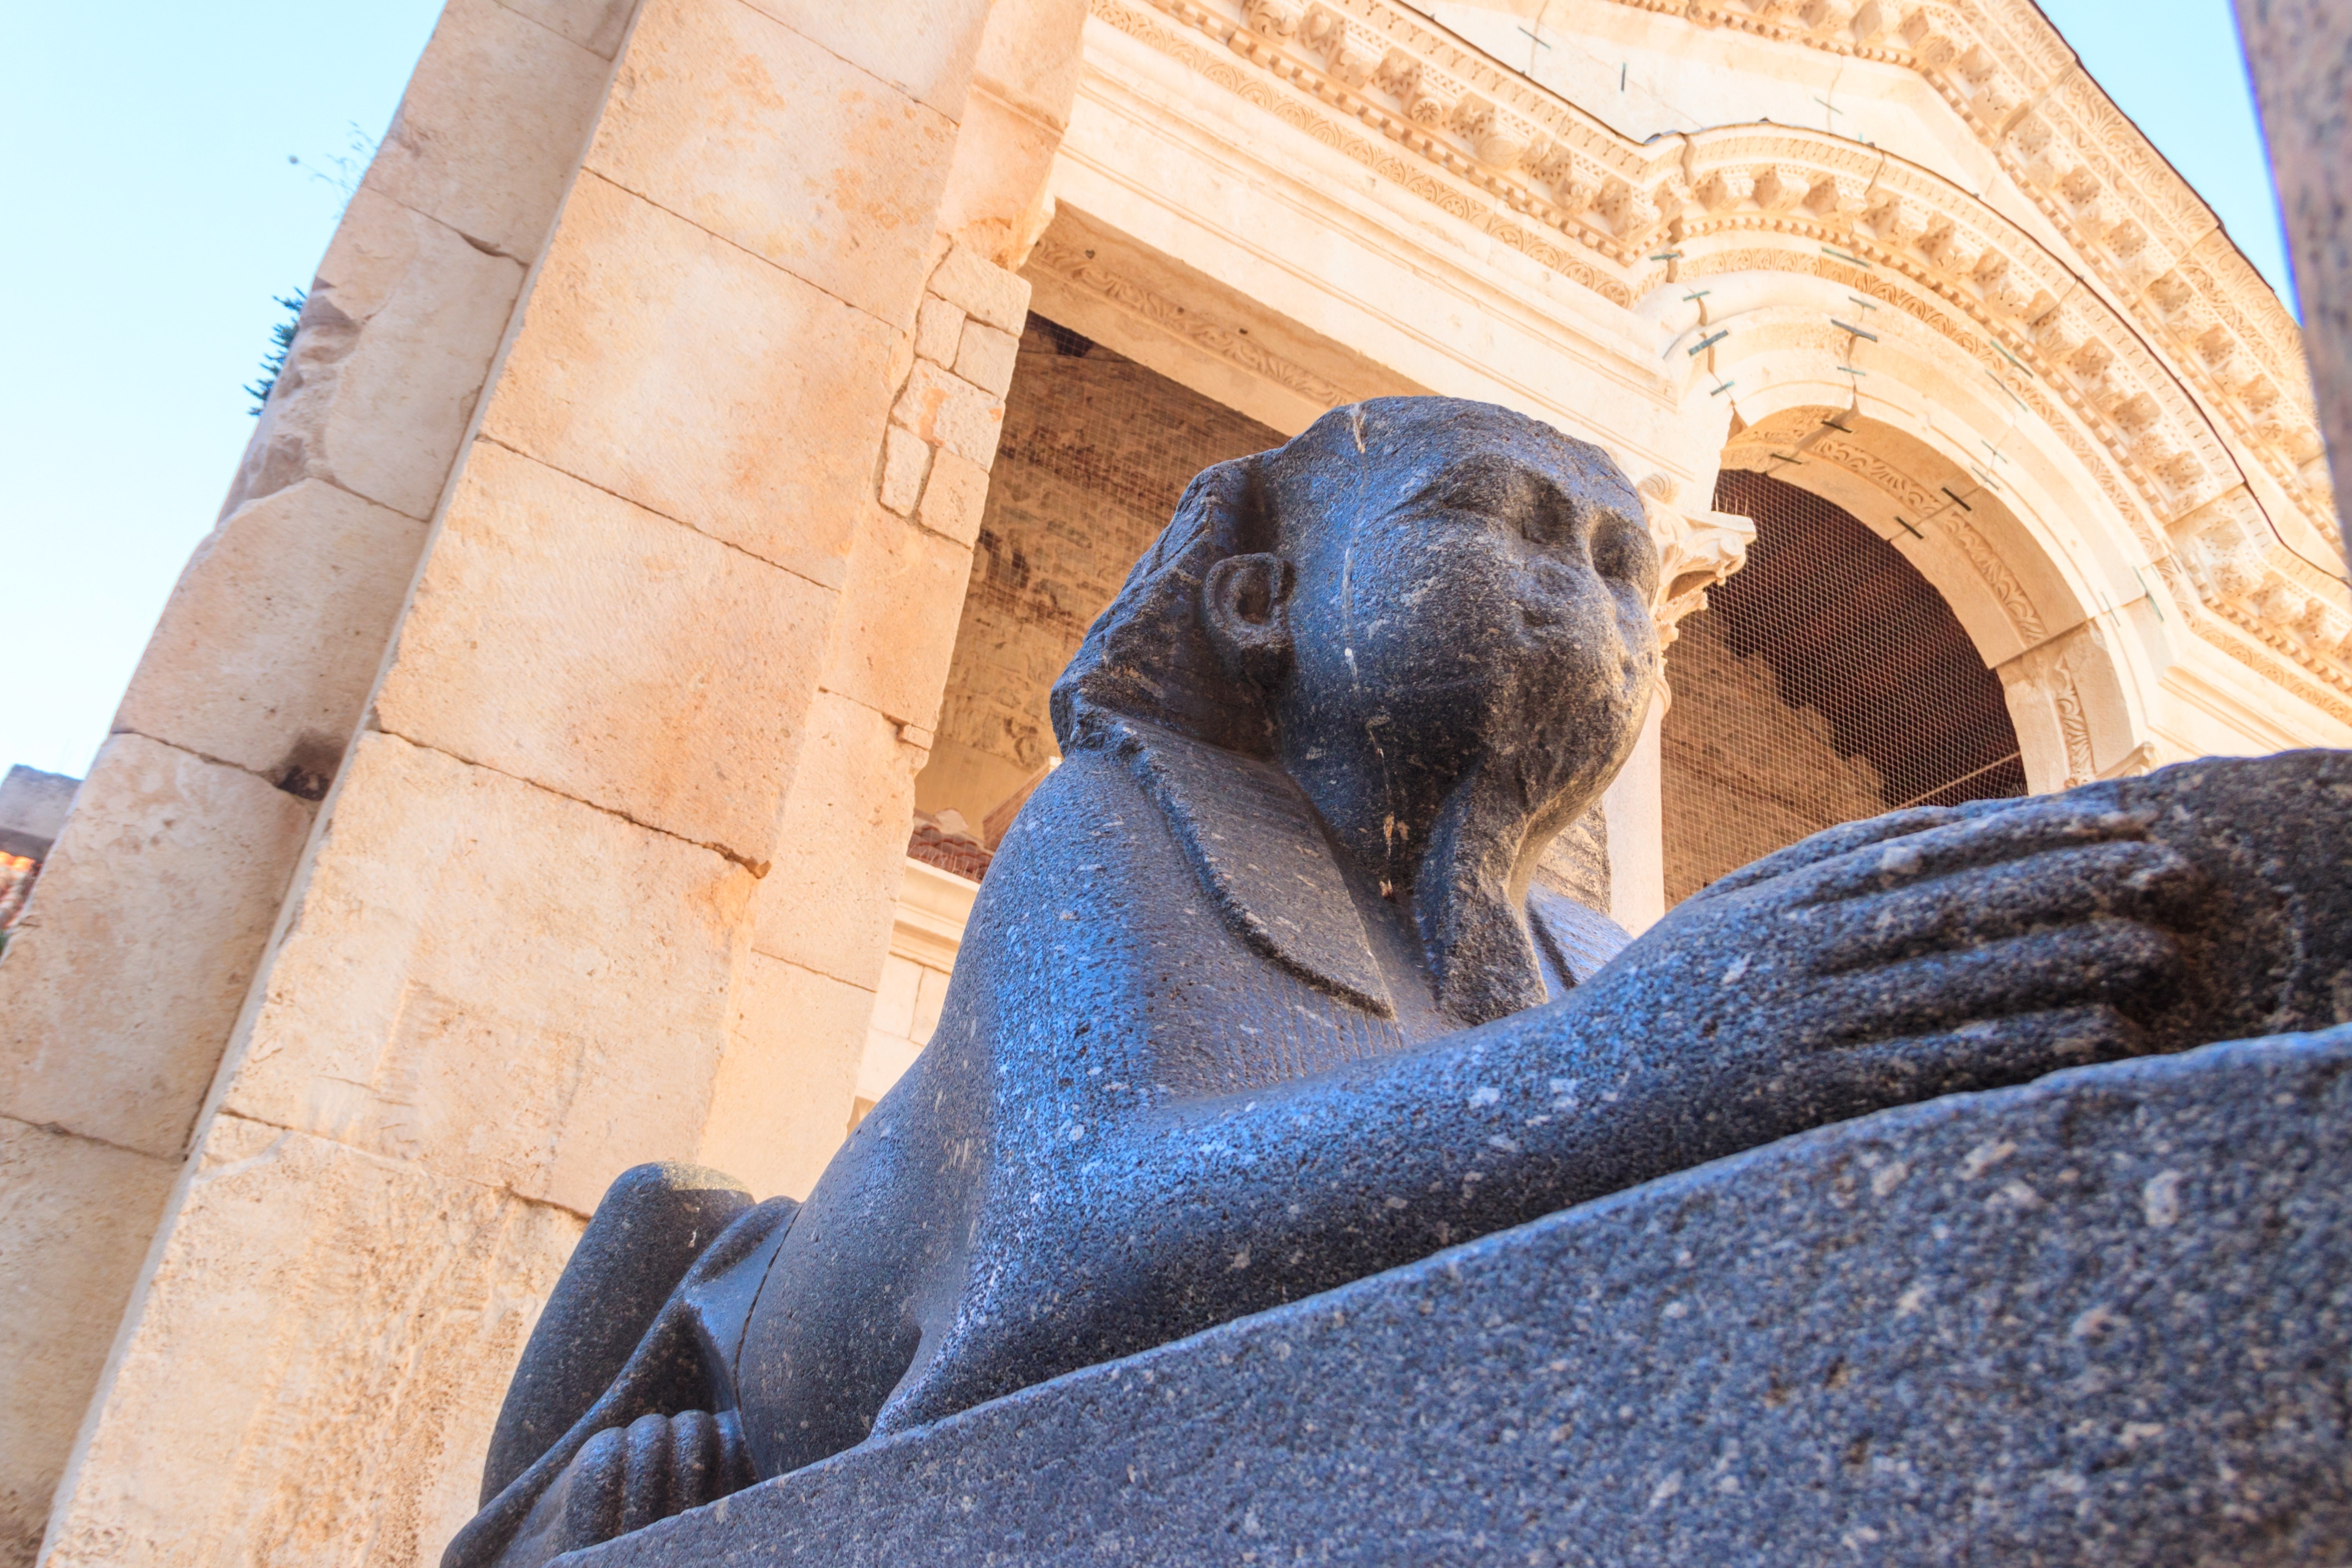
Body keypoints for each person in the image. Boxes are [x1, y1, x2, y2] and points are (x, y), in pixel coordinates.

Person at [449, 398, 2330, 1568]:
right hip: (749, 1354)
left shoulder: (1590, 965)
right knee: (670, 1208)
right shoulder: (1119, 823)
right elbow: (1065, 1258)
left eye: (1615, 567)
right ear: (1264, 601)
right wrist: (1663, 1063)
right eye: (1490, 523)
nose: (1575, 601)